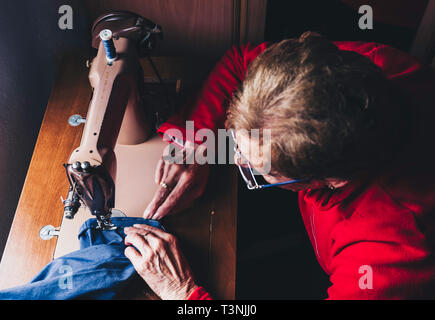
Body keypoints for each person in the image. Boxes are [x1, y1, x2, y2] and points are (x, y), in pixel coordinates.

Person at [123, 32, 435, 299]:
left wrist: (184, 292)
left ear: (330, 179)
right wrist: (196, 143)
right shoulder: (352, 72)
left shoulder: (388, 251)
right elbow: (240, 62)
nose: (233, 157)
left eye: (262, 169)